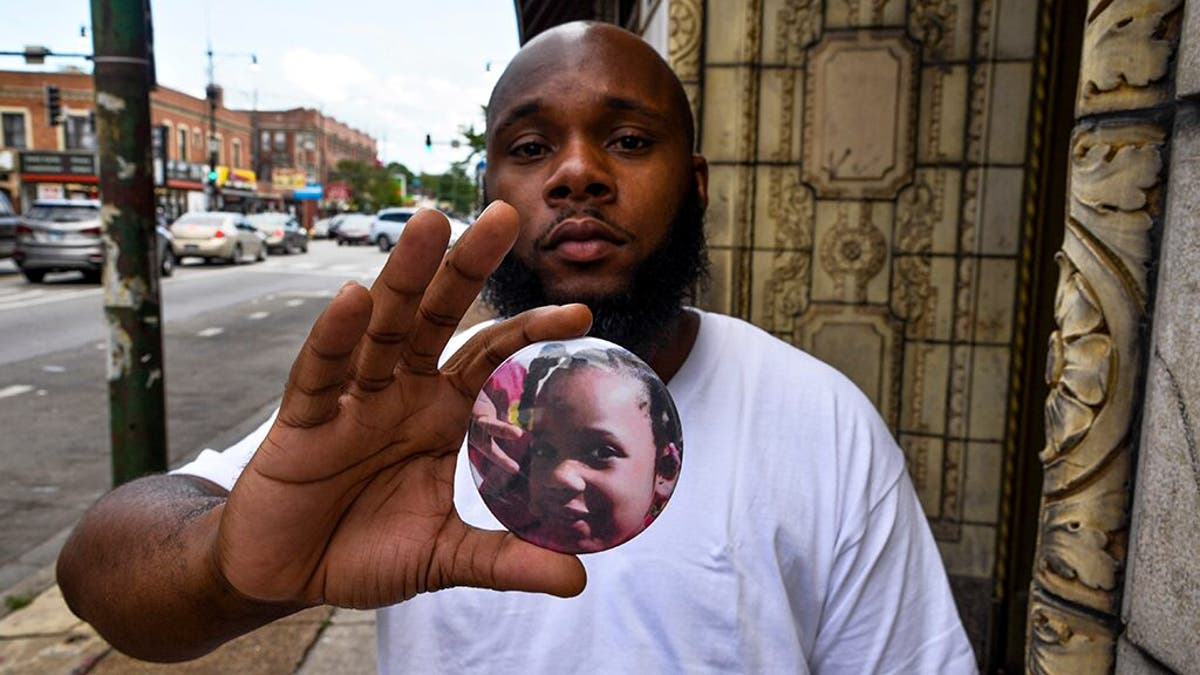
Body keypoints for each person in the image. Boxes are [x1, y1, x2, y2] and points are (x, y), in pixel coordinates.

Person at [56, 21, 977, 673]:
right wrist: (229, 565)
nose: (578, 172)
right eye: (531, 146)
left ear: (694, 184)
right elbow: (96, 575)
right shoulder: (416, 409)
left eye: (627, 137)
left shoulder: (819, 417)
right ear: (489, 184)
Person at [468, 340, 683, 554]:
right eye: (543, 450)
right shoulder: (510, 491)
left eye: (602, 452)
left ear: (665, 468)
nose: (560, 476)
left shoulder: (676, 544)